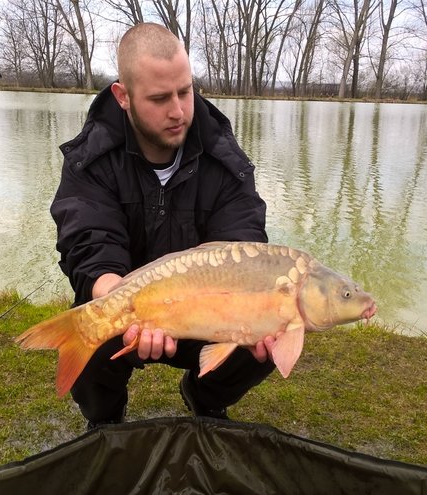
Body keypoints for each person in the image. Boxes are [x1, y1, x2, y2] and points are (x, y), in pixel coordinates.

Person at [51, 22, 275, 428]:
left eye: (185, 91)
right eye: (159, 98)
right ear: (123, 97)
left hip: (208, 311)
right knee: (92, 323)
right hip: (129, 303)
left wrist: (256, 310)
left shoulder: (225, 158)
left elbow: (243, 243)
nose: (178, 111)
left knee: (268, 332)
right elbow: (88, 241)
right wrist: (126, 307)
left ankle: (205, 396)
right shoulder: (91, 159)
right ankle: (105, 421)